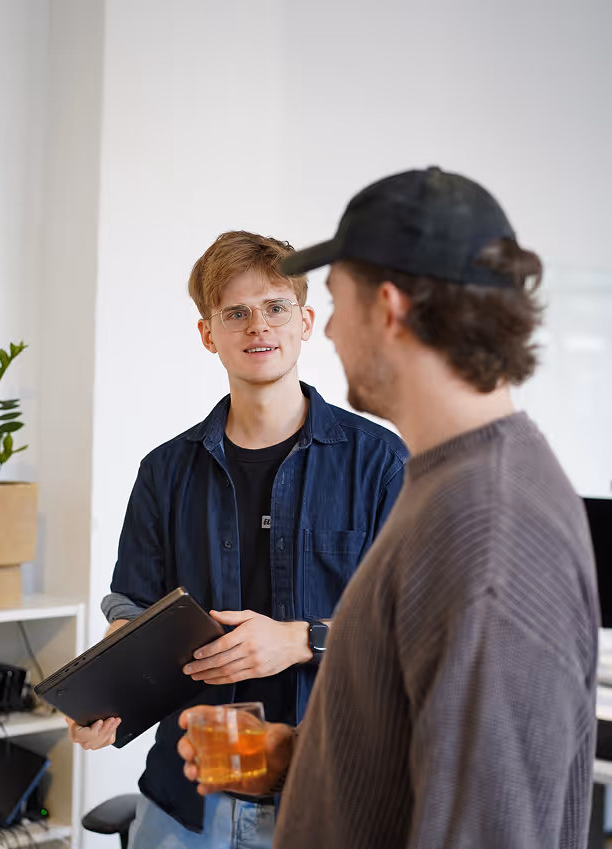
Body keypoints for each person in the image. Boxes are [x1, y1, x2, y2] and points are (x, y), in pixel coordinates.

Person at [178, 169, 600, 849]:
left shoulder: (489, 532)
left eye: (339, 306)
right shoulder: (448, 483)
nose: (334, 332)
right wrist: (300, 753)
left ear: (390, 309)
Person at [67, 230, 407, 848]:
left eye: (276, 307)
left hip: (324, 796)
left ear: (304, 321)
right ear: (209, 334)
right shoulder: (164, 471)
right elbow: (133, 614)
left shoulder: (380, 463)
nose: (259, 326)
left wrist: (303, 640)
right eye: (236, 313)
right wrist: (102, 699)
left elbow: (416, 630)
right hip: (185, 801)